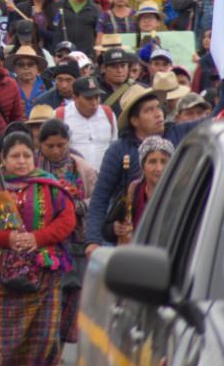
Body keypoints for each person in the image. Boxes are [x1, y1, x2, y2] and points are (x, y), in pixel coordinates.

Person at [0, 132, 76, 366]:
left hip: (45, 274)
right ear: (3, 159)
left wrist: (37, 239)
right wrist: (7, 239)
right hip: (0, 279)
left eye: (27, 155)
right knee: (2, 348)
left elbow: (67, 221)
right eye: (15, 156)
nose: (22, 161)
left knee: (43, 342)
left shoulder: (51, 186)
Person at [84, 85, 205, 257]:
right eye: (149, 110)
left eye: (158, 107)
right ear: (134, 120)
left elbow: (213, 120)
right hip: (131, 236)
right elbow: (100, 197)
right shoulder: (119, 150)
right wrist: (93, 242)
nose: (158, 114)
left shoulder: (177, 133)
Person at [35, 119, 97, 347]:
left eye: (61, 145)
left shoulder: (81, 168)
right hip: (40, 242)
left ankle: (57, 350)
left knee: (71, 295)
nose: (56, 150)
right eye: (50, 146)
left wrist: (75, 206)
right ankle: (45, 352)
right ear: (40, 144)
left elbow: (98, 200)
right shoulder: (30, 165)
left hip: (75, 241)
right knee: (47, 299)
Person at [103, 136, 173, 243]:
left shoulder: (179, 194)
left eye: (164, 162)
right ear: (143, 166)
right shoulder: (133, 191)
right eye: (152, 162)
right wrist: (115, 228)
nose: (159, 168)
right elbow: (106, 227)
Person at [56, 77, 117, 171]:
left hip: (104, 177)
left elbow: (114, 147)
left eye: (97, 97)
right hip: (73, 177)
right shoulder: (60, 116)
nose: (94, 102)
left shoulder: (108, 114)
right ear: (75, 97)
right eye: (88, 98)